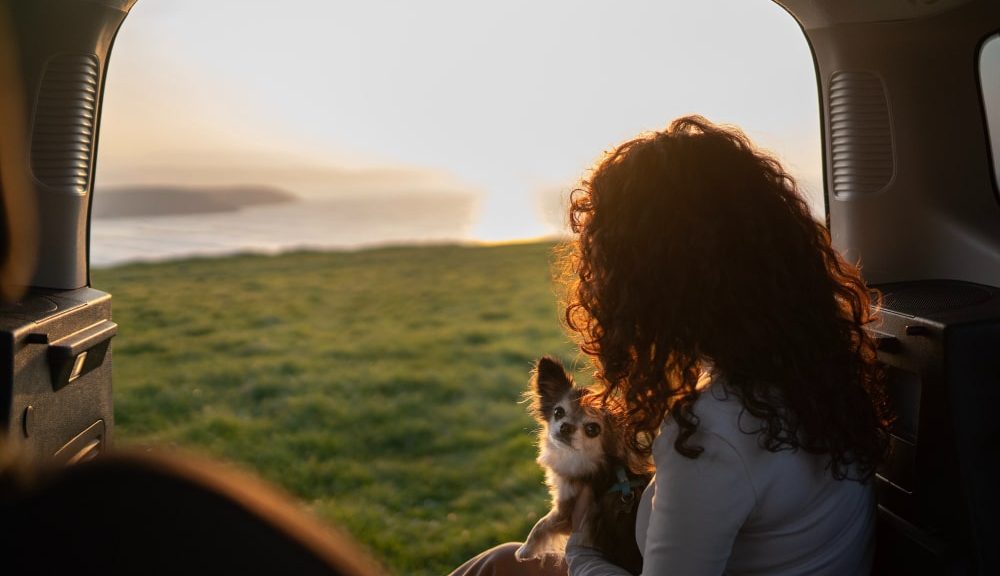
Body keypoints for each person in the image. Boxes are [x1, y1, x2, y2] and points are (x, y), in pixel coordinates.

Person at [449, 116, 890, 575]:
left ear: (657, 284)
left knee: (496, 568)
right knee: (502, 562)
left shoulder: (711, 432)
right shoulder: (813, 371)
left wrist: (582, 546)